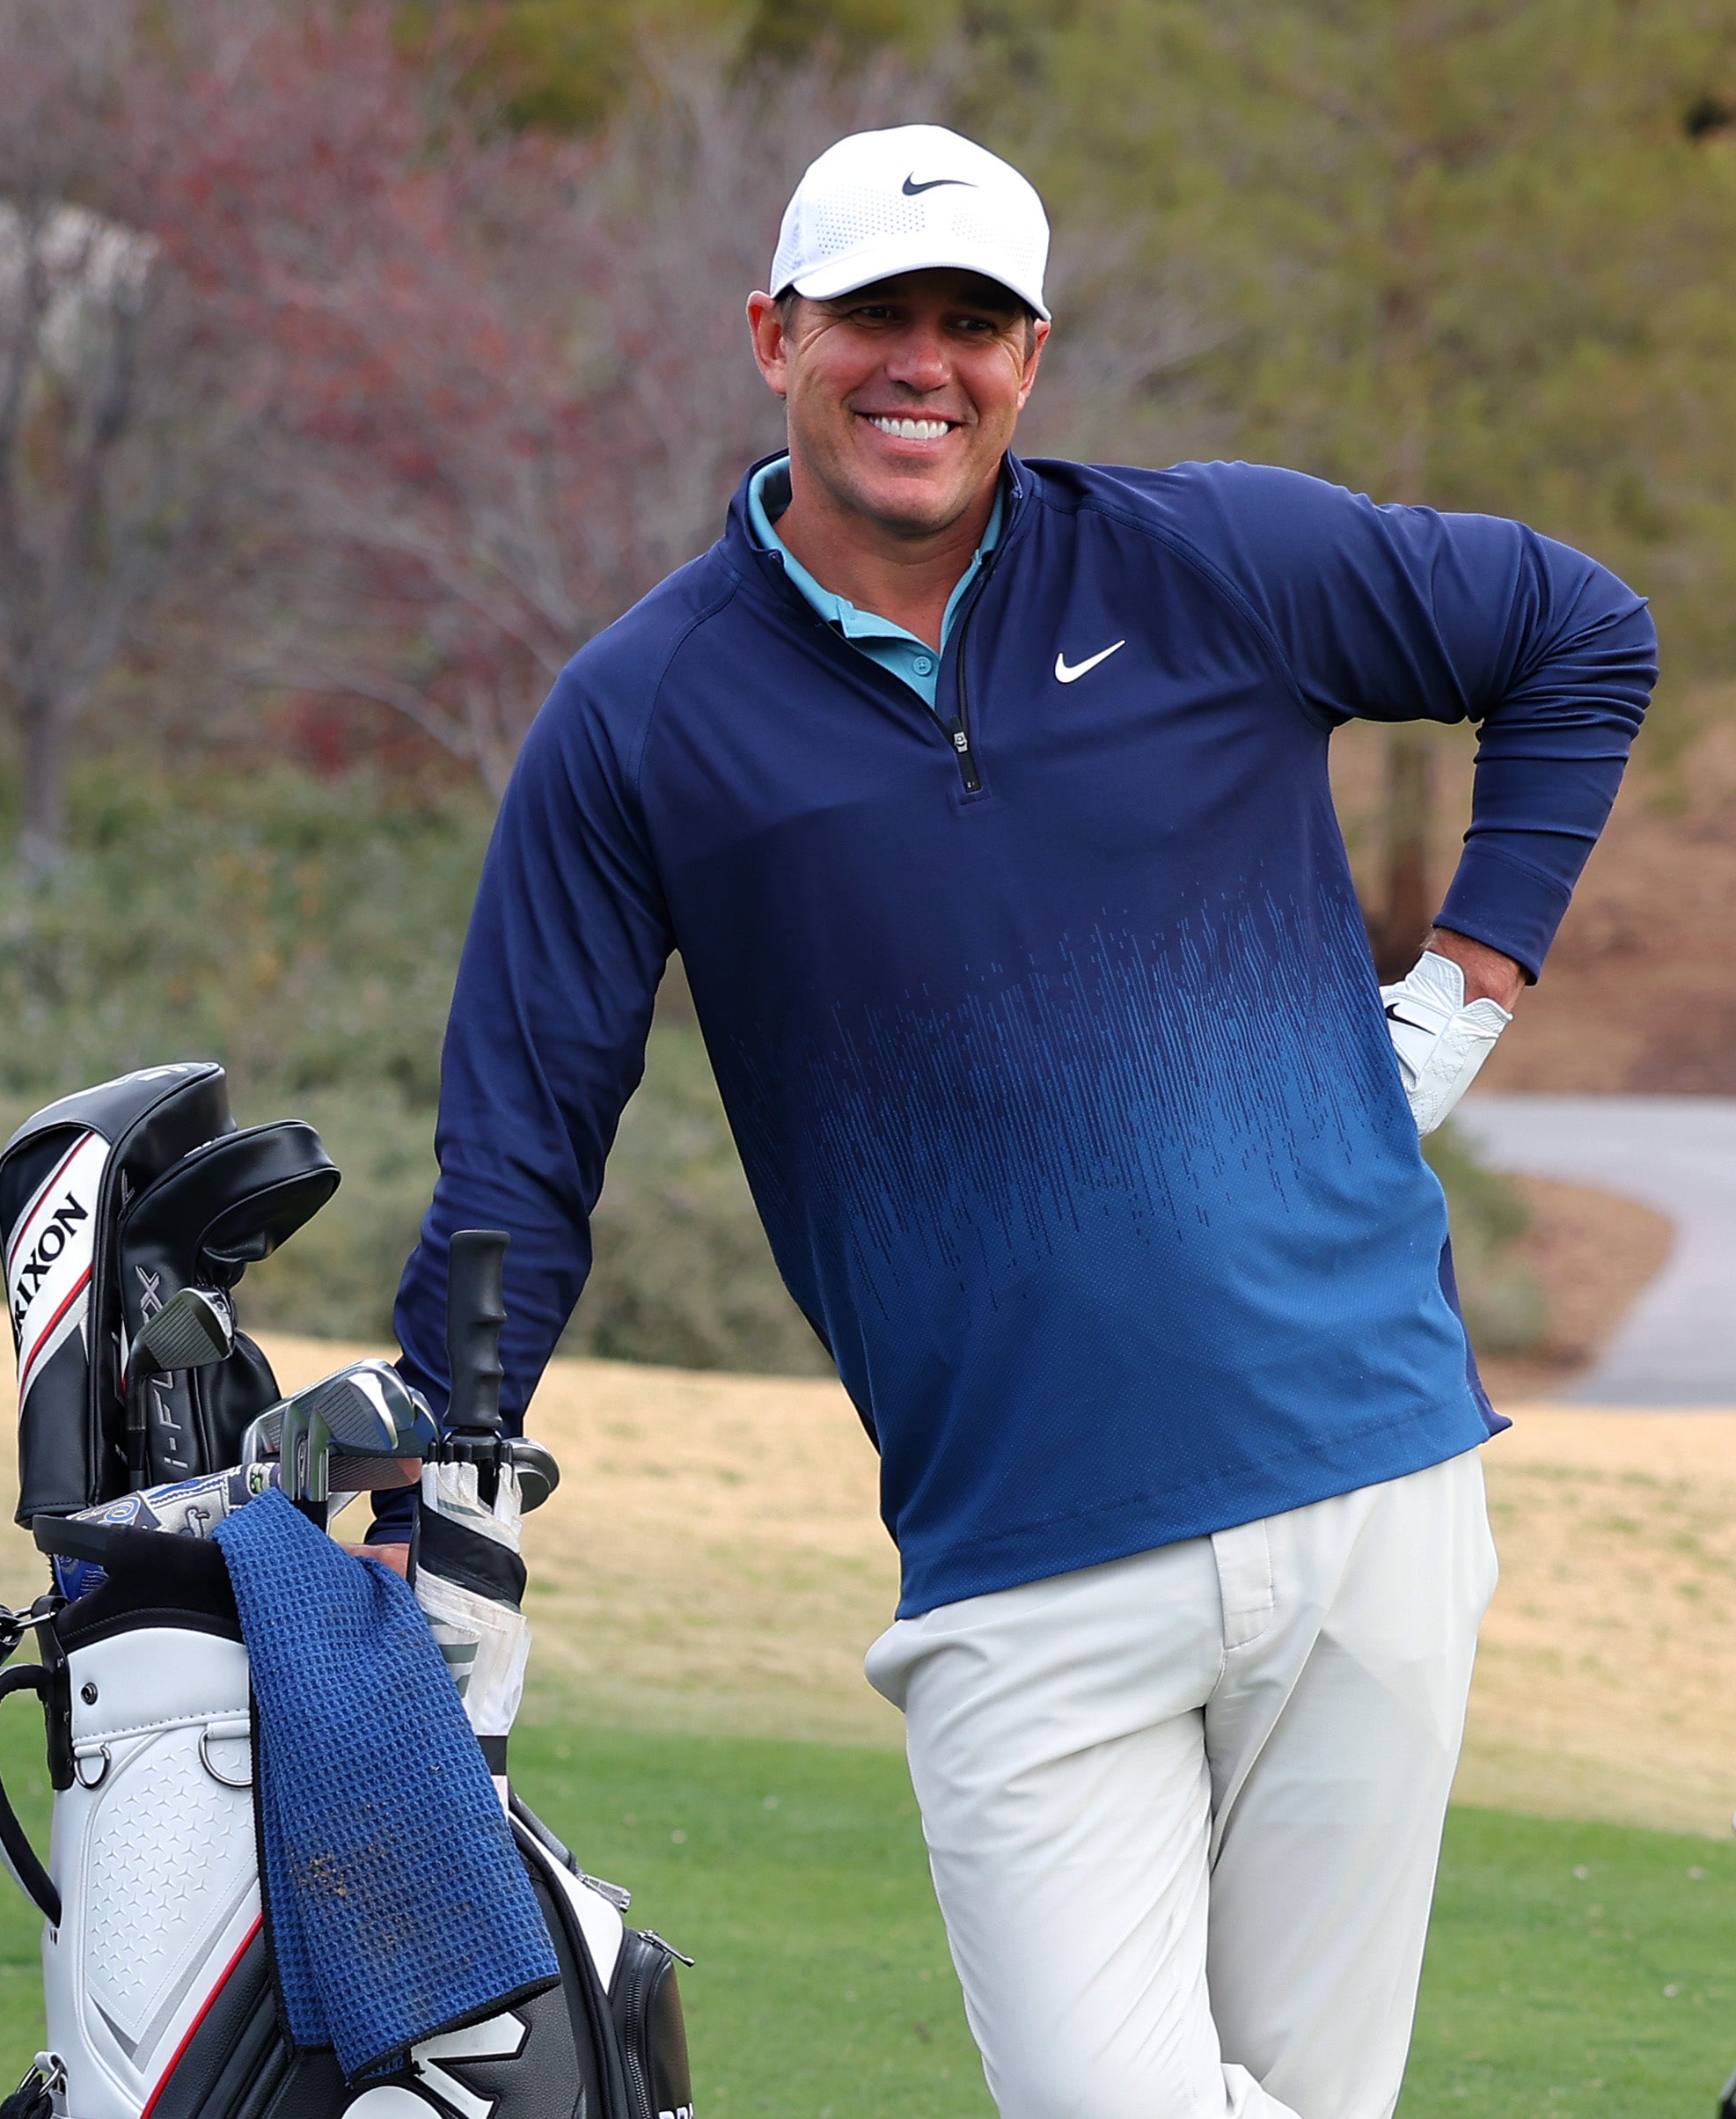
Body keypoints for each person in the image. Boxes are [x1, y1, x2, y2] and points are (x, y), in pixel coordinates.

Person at [381, 127, 1655, 2119]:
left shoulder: (1213, 561)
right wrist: (448, 1478)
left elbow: (1579, 632)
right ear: (769, 336)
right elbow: (522, 1141)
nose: (923, 365)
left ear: (1030, 357)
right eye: (873, 317)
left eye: (970, 324)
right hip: (1022, 1560)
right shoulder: (640, 715)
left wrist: (1461, 998)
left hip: (1366, 1488)